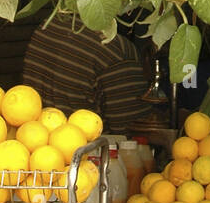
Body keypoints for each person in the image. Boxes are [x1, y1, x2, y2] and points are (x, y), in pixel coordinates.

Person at [21, 7, 170, 138]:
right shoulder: (116, 52)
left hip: (37, 148)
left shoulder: (48, 25)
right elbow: (132, 135)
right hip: (91, 159)